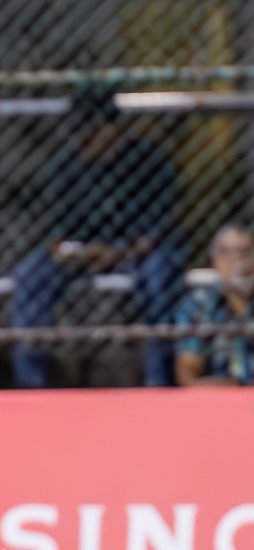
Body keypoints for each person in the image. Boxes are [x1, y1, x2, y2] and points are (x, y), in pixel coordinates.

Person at [11, 88, 180, 387]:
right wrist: (76, 252)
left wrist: (119, 253)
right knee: (29, 276)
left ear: (113, 130)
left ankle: (159, 379)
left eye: (93, 132)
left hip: (133, 253)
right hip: (84, 252)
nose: (85, 141)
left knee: (159, 273)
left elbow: (153, 234)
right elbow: (54, 234)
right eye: (79, 133)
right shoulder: (67, 165)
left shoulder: (148, 162)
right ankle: (31, 383)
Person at [174, 224, 254, 387]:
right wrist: (234, 390)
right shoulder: (199, 305)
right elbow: (188, 378)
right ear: (214, 260)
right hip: (221, 400)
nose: (237, 260)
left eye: (245, 253)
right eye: (227, 253)